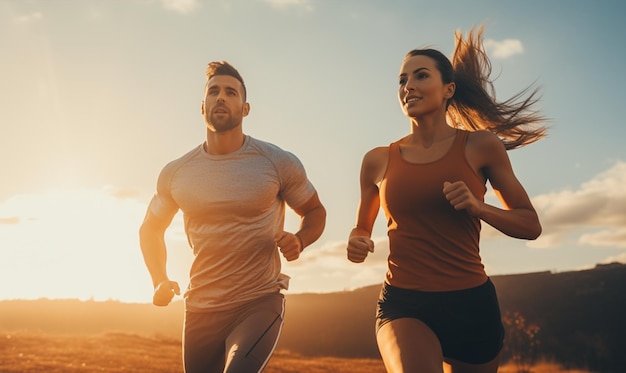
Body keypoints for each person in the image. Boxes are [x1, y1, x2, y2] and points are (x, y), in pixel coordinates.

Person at [346, 26, 547, 373]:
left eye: (420, 76)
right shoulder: (377, 161)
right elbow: (361, 230)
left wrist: (478, 207)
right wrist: (357, 241)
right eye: (402, 80)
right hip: (403, 302)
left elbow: (531, 225)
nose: (407, 86)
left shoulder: (480, 146)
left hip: (471, 305)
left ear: (448, 89)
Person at [139, 61, 326, 373]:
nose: (221, 98)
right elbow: (151, 228)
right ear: (202, 107)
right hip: (199, 307)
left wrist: (301, 239)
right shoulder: (177, 173)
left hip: (258, 301)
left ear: (246, 107)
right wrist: (159, 278)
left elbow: (315, 211)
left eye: (230, 92)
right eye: (214, 92)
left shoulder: (275, 162)